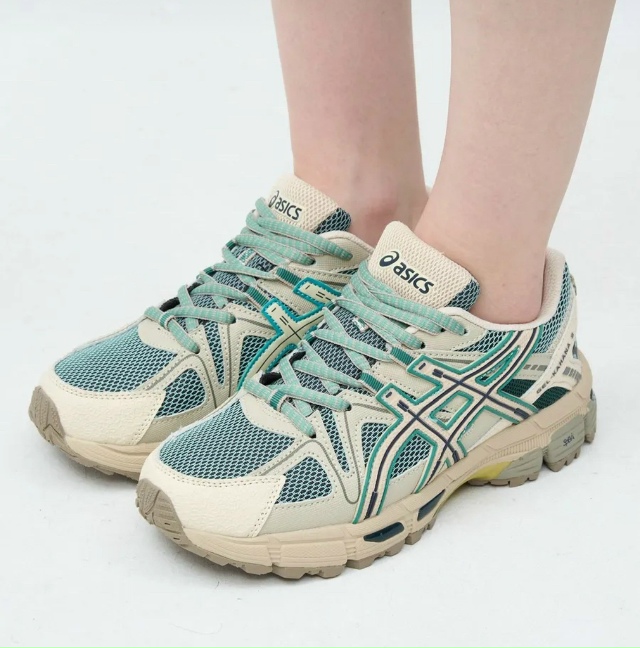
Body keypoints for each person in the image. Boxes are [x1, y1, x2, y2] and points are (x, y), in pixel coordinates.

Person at [30, 1, 614, 577]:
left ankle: (490, 290)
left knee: (477, 255)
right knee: (347, 187)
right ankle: (357, 203)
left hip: (492, 341)